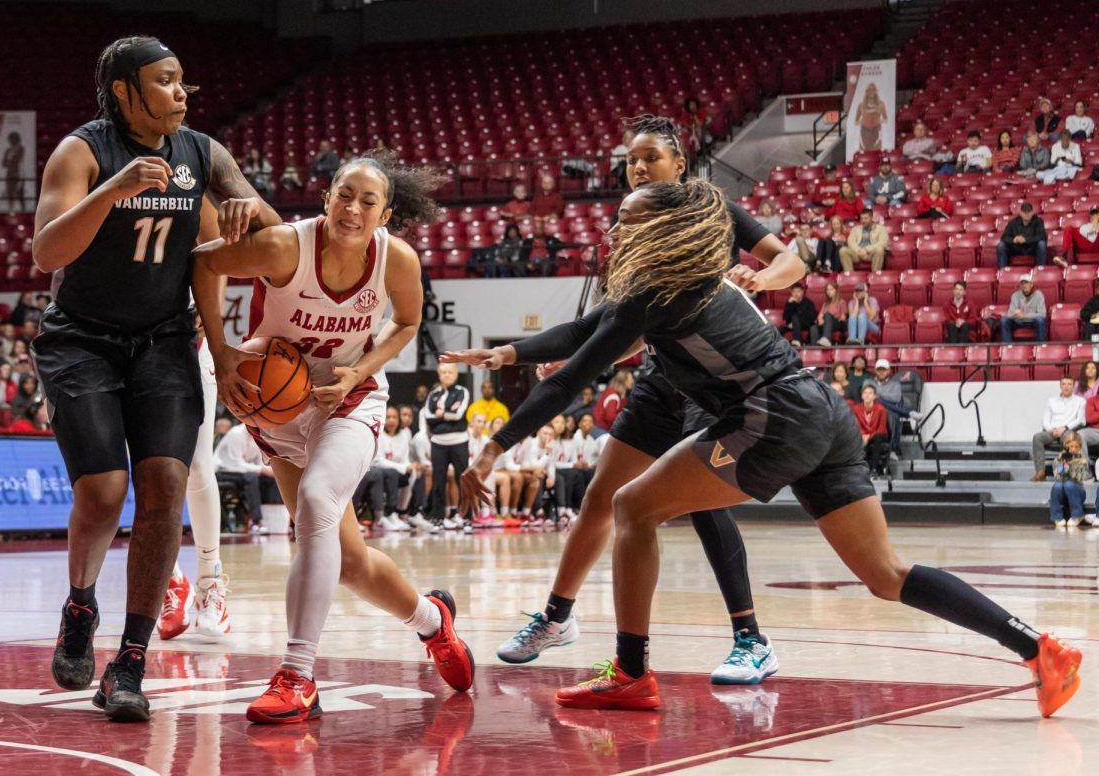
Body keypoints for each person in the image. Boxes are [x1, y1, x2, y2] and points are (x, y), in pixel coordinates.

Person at [450, 179, 1081, 718]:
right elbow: (588, 332)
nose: (615, 229)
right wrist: (511, 351)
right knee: (885, 574)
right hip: (821, 413)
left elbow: (571, 377)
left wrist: (492, 449)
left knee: (632, 506)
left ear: (662, 232)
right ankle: (1038, 649)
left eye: (628, 221)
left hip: (771, 415)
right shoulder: (684, 280)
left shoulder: (655, 293)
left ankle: (631, 673)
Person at [444, 113, 805, 682]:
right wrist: (511, 354)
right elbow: (606, 326)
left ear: (679, 164)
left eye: (649, 158)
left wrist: (761, 278)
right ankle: (557, 617)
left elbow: (792, 261)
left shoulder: (710, 212)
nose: (637, 168)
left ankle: (750, 638)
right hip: (661, 378)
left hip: (709, 381)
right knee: (600, 498)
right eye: (630, 160)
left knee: (703, 506)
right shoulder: (635, 227)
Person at [30, 36, 282, 722]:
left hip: (167, 342)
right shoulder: (82, 153)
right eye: (166, 82)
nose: (181, 92)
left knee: (167, 485)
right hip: (83, 340)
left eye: (182, 81)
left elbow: (271, 226)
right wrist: (115, 189)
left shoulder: (203, 152)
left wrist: (243, 216)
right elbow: (45, 251)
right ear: (124, 94)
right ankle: (80, 601)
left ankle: (130, 663)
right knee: (105, 492)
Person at [191, 148, 475, 724]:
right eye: (344, 195)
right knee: (346, 561)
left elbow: (408, 321)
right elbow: (204, 263)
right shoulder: (284, 246)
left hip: (350, 400)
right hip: (280, 410)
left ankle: (297, 673)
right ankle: (431, 621)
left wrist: (363, 367)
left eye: (368, 201)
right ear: (326, 199)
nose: (353, 208)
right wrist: (222, 354)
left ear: (385, 215)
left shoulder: (395, 261)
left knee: (316, 506)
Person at [157, 327, 236, 641]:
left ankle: (210, 581)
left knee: (199, 467)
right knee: (147, 471)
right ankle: (170, 579)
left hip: (188, 342)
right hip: (127, 346)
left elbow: (213, 281)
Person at [422, 362, 471, 530]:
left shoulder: (462, 392)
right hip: (438, 443)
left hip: (459, 441)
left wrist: (442, 415)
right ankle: (438, 519)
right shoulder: (433, 395)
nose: (446, 375)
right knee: (438, 481)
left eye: (450, 372)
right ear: (439, 374)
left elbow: (458, 415)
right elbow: (428, 417)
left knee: (463, 479)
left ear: (456, 374)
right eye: (443, 372)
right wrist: (447, 415)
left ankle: (466, 518)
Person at [213, 420, 273, 532]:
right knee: (251, 477)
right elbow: (234, 464)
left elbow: (259, 462)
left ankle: (273, 518)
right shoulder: (236, 434)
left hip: (242, 472)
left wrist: (269, 470)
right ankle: (255, 522)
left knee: (270, 479)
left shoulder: (258, 437)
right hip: (222, 471)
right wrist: (262, 469)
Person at [1031, 376, 1087, 482]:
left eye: (1069, 384)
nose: (1066, 387)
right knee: (1037, 437)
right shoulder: (1051, 400)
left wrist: (1064, 428)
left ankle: (1066, 473)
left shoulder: (1080, 401)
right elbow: (1045, 419)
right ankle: (1040, 472)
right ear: (1060, 385)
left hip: (1068, 430)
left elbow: (1080, 420)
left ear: (1074, 386)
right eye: (1064, 384)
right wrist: (1052, 429)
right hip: (1052, 431)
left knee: (1068, 439)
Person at [865, 359, 920, 458]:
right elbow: (867, 397)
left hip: (888, 411)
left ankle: (893, 449)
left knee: (894, 415)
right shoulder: (868, 381)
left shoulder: (895, 384)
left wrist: (877, 394)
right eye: (879, 370)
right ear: (875, 371)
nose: (881, 372)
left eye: (884, 370)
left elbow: (896, 398)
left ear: (889, 371)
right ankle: (908, 413)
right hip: (871, 410)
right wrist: (877, 397)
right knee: (880, 403)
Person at [1048, 432, 1088, 529]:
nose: (1073, 449)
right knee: (1057, 485)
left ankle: (1077, 514)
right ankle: (1056, 516)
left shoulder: (1082, 461)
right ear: (1066, 447)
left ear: (1079, 448)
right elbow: (1057, 476)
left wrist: (1070, 467)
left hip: (1077, 490)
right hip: (1062, 489)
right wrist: (1062, 465)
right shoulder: (1059, 459)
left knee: (1069, 484)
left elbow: (1079, 478)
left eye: (1076, 447)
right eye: (1070, 446)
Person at [999, 273, 1047, 343]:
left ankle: (1040, 346)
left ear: (1031, 284)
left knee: (1040, 320)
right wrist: (1016, 314)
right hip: (1018, 321)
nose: (1024, 285)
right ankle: (1007, 347)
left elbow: (1042, 314)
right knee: (1004, 320)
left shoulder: (1039, 295)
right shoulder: (1015, 295)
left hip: (1032, 321)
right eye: (1022, 283)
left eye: (1026, 283)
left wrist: (1024, 316)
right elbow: (1010, 314)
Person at [854, 384, 889, 477]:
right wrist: (863, 434)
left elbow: (881, 429)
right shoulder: (856, 409)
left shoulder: (881, 409)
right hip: (863, 434)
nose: (867, 395)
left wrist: (869, 436)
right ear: (861, 396)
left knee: (877, 437)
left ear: (875, 396)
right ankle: (859, 470)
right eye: (864, 393)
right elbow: (857, 426)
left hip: (879, 434)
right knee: (855, 438)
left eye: (870, 393)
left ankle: (874, 469)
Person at [840, 207, 889, 273]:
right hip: (858, 253)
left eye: (866, 218)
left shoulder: (880, 228)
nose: (863, 221)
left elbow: (883, 243)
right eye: (862, 218)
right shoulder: (855, 229)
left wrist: (866, 249)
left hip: (871, 253)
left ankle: (875, 275)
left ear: (871, 218)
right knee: (843, 250)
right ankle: (850, 275)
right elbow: (851, 242)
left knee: (879, 250)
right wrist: (859, 250)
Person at [811, 281, 848, 347]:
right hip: (826, 323)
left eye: (831, 289)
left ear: (836, 290)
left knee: (828, 315)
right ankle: (815, 348)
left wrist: (832, 318)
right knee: (813, 328)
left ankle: (826, 338)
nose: (829, 291)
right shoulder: (826, 303)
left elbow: (843, 318)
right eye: (827, 290)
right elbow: (820, 315)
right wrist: (820, 320)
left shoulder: (841, 302)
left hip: (837, 323)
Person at [854, 82, 888, 151]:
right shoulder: (861, 105)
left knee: (876, 151)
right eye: (869, 90)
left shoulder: (881, 104)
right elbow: (856, 122)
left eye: (873, 89)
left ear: (876, 91)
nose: (871, 92)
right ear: (866, 91)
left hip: (876, 131)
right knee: (864, 152)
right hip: (865, 132)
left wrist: (879, 121)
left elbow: (886, 119)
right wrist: (862, 121)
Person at [2, 131, 26, 211]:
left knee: (20, 191)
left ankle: (23, 209)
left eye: (12, 139)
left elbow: (17, 160)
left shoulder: (21, 148)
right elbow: (4, 163)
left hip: (19, 172)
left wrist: (10, 160)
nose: (11, 141)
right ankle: (11, 209)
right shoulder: (8, 150)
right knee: (10, 191)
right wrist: (10, 161)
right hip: (10, 173)